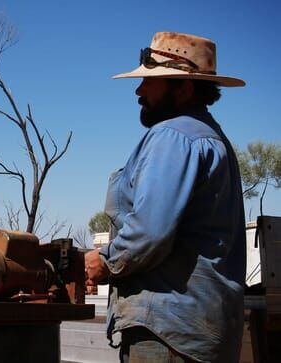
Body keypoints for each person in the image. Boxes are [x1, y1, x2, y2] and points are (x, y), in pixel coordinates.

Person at [85, 32, 246, 363]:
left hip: (169, 335)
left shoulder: (172, 135)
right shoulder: (212, 139)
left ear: (183, 89)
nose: (139, 90)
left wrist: (101, 262)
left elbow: (149, 233)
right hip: (201, 333)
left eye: (149, 82)